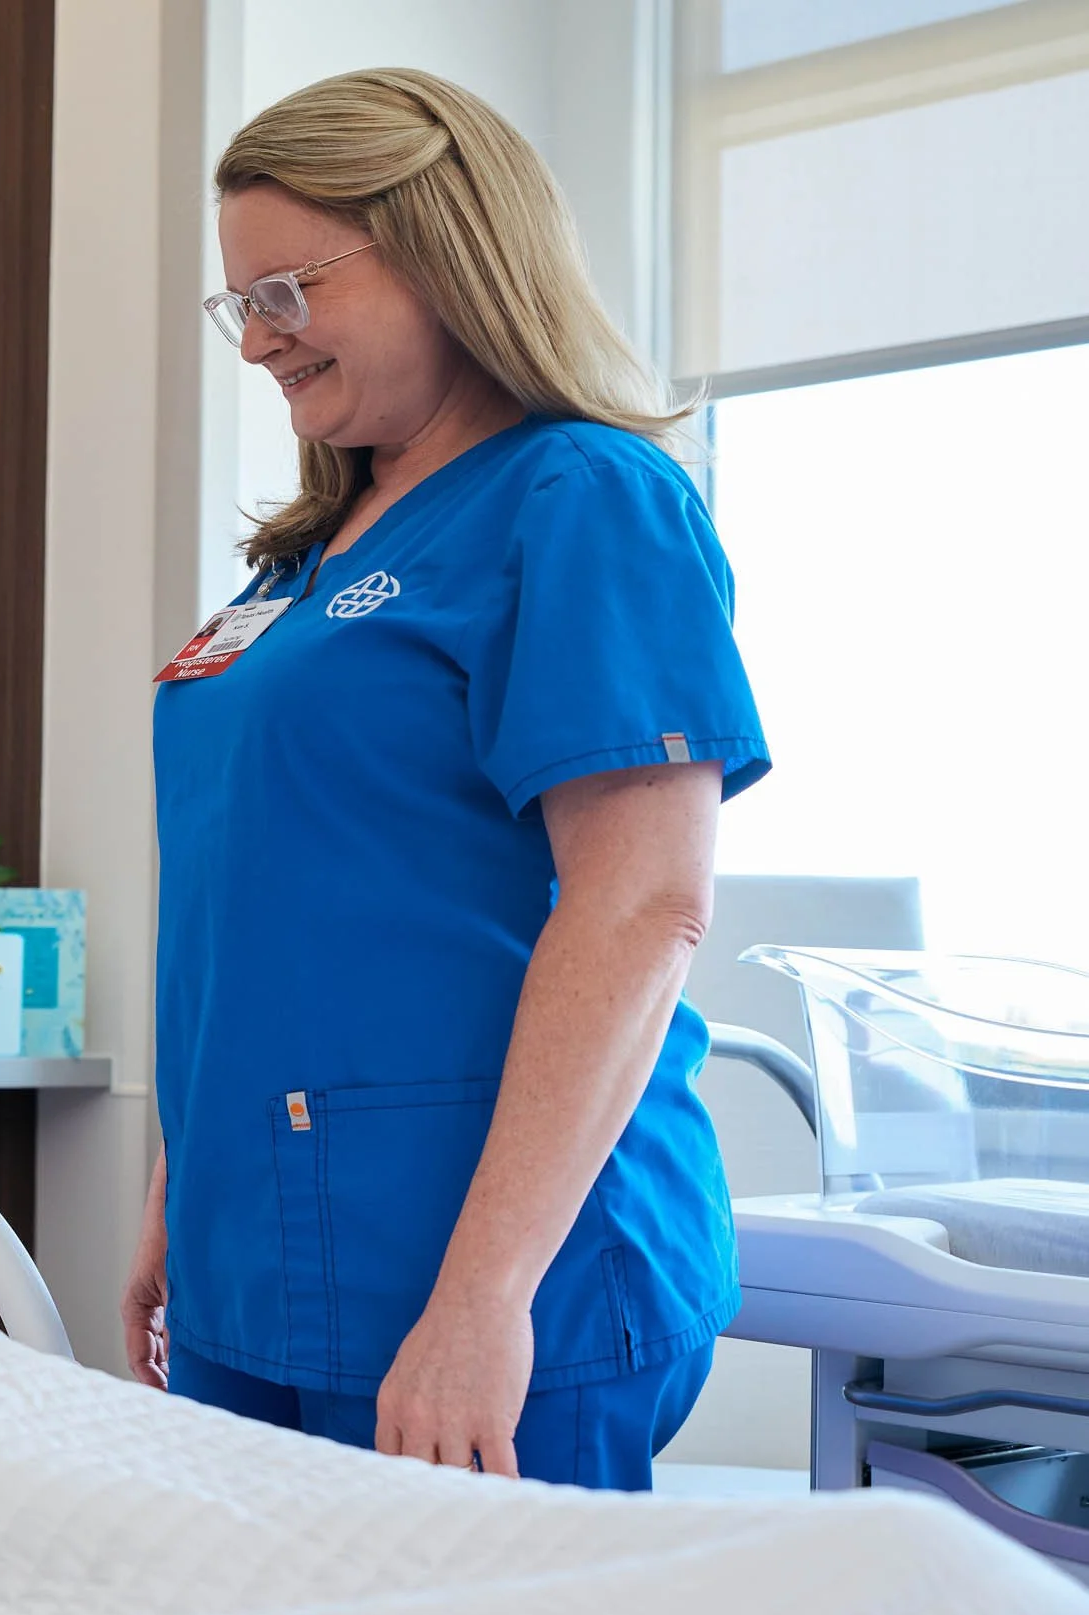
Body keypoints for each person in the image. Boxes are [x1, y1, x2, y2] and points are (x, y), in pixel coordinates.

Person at [127, 69, 769, 1490]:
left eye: (289, 289)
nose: (262, 346)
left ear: (447, 245)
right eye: (245, 306)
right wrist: (183, 1191)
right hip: (266, 1237)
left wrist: (486, 1297)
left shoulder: (583, 498)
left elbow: (643, 904)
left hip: (478, 1261)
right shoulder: (303, 563)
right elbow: (251, 898)